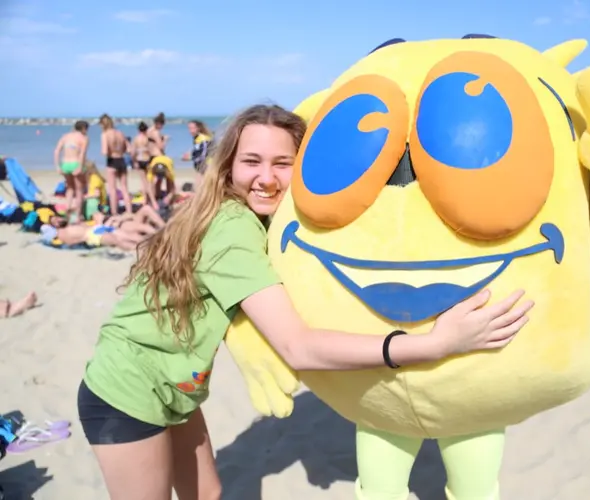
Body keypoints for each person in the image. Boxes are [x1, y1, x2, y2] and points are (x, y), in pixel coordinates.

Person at [76, 104, 534, 499]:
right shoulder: (232, 229)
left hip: (178, 388)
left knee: (207, 494)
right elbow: (299, 347)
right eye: (252, 161)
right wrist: (433, 344)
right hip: (126, 391)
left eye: (283, 163)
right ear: (228, 166)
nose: (266, 178)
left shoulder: (256, 223)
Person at [53, 121, 89, 223]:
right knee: (79, 190)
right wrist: (80, 167)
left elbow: (56, 151)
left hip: (65, 164)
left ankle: (67, 212)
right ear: (84, 129)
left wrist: (57, 166)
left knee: (69, 188)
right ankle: (78, 214)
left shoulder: (65, 136)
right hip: (76, 163)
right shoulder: (84, 138)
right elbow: (82, 154)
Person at [99, 114, 132, 215]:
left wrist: (109, 151)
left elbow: (104, 151)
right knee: (125, 189)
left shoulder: (105, 134)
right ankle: (129, 211)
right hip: (121, 160)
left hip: (112, 161)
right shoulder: (120, 133)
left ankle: (114, 212)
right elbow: (129, 149)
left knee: (112, 189)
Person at [130, 122, 156, 209]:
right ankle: (149, 199)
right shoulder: (147, 139)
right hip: (147, 160)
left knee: (143, 182)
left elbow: (133, 152)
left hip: (139, 160)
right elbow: (152, 150)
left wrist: (134, 162)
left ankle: (146, 200)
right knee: (149, 181)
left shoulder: (136, 139)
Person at [181, 120, 214, 185]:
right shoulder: (197, 138)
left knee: (202, 184)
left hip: (206, 165)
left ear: (198, 128)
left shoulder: (203, 139)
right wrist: (190, 154)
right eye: (189, 128)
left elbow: (204, 155)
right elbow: (197, 151)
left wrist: (189, 158)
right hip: (201, 166)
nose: (191, 131)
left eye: (193, 128)